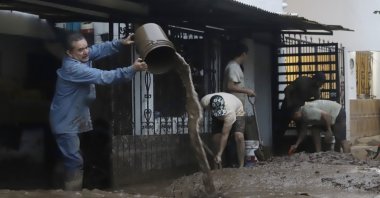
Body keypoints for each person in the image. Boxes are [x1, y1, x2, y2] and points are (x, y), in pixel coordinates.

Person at [49, 32, 148, 190]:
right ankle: (72, 193)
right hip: (65, 121)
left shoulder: (82, 56)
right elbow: (104, 77)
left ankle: (67, 187)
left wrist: (120, 43)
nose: (86, 52)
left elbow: (98, 49)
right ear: (69, 53)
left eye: (86, 47)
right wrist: (132, 69)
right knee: (75, 160)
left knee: (75, 157)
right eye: (81, 50)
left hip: (75, 117)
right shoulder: (72, 68)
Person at [274, 72, 326, 153]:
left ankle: (300, 150)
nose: (321, 85)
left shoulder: (316, 91)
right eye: (320, 83)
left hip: (299, 109)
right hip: (288, 106)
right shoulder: (302, 81)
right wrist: (288, 101)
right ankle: (276, 149)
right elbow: (287, 89)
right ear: (315, 79)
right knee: (281, 127)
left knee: (302, 129)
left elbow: (316, 103)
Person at [200, 92, 245, 168]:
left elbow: (225, 135)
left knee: (239, 136)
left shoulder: (230, 113)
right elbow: (199, 110)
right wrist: (199, 122)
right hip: (219, 111)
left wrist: (220, 153)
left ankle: (241, 165)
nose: (220, 116)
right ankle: (218, 165)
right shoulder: (205, 101)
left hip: (237, 110)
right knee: (216, 139)